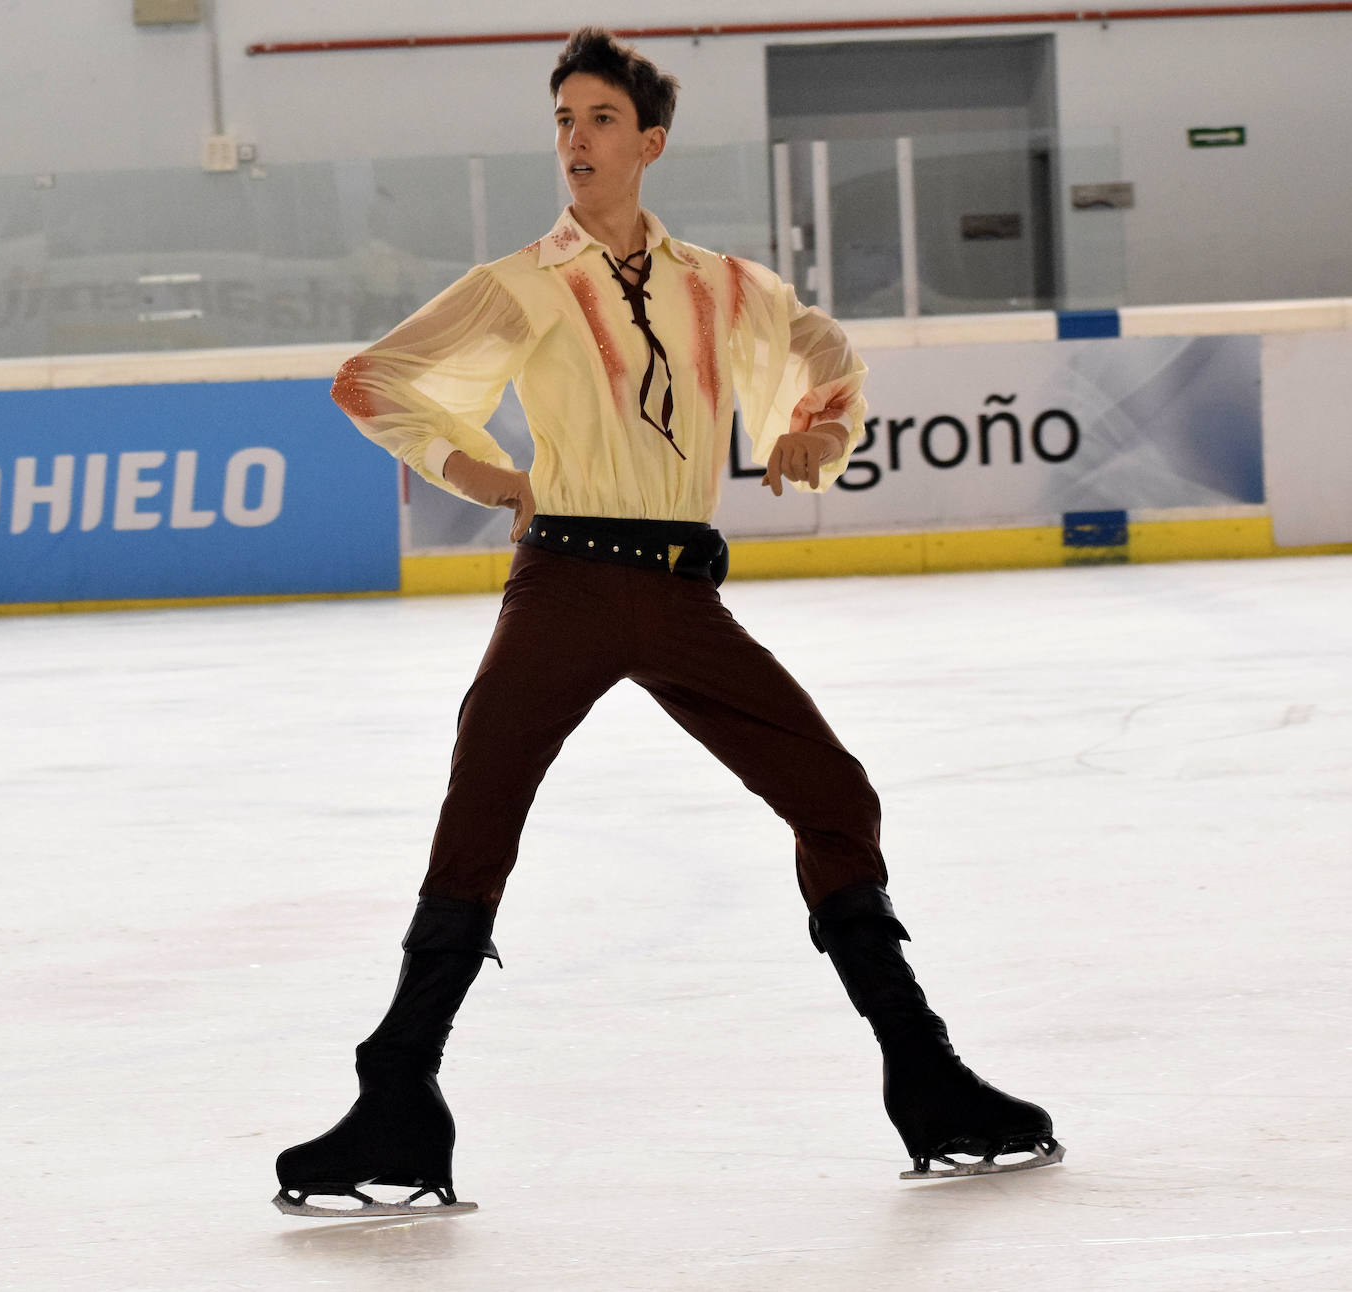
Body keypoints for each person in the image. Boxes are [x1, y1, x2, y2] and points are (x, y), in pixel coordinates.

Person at [273, 27, 1061, 1219]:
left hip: (684, 594)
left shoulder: (722, 286)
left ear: (648, 141)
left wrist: (811, 431)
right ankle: (396, 1088)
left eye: (597, 120)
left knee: (833, 793)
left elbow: (828, 360)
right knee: (482, 806)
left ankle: (926, 1071)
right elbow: (375, 379)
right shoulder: (524, 283)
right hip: (568, 584)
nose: (573, 141)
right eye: (560, 121)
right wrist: (483, 472)